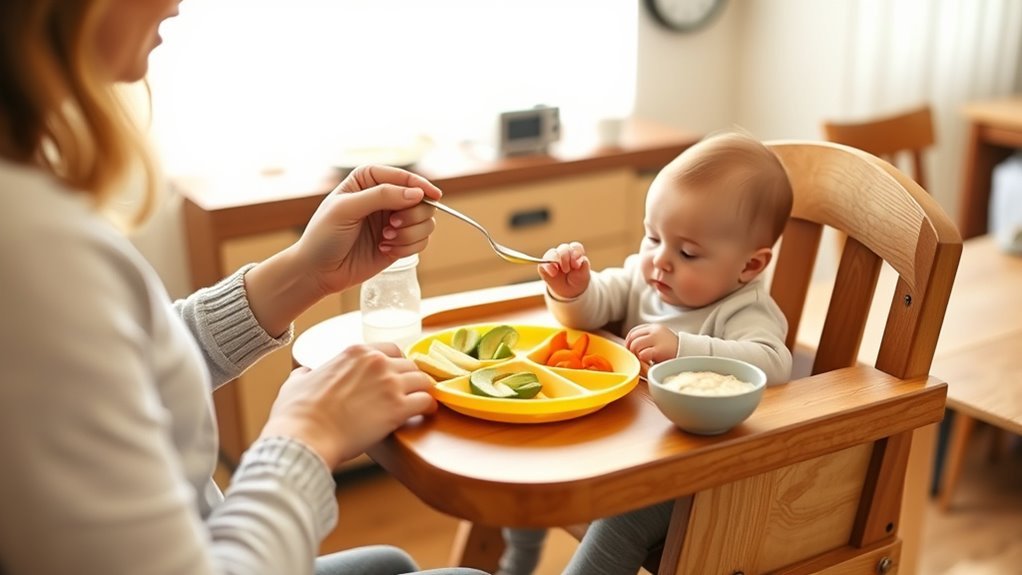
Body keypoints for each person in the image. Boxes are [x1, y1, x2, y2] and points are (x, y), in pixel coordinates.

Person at [0, 2, 488, 574]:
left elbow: (119, 371)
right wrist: (305, 435)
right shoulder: (28, 248)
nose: (177, 3)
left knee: (392, 564)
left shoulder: (32, 207)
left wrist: (308, 270)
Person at [497, 132, 794, 575]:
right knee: (532, 461)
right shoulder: (643, 277)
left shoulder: (743, 311)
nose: (660, 261)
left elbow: (774, 362)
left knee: (623, 518)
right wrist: (573, 290)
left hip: (692, 474)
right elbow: (592, 309)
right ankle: (515, 564)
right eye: (652, 237)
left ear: (749, 267)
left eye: (687, 252)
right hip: (623, 443)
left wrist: (683, 349)